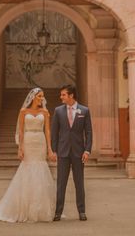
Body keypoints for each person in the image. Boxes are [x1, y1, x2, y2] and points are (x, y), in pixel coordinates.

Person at [0, 88, 56, 223]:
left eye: (42, 96)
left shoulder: (45, 112)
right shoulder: (23, 112)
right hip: (28, 141)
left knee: (40, 169)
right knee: (27, 169)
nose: (42, 99)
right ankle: (23, 208)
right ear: (33, 97)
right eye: (39, 96)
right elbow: (20, 131)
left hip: (40, 142)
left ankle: (40, 209)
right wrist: (20, 148)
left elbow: (48, 131)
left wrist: (50, 149)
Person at [50, 84, 92, 222]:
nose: (61, 97)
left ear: (71, 95)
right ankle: (58, 212)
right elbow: (54, 132)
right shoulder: (58, 111)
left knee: (79, 183)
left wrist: (87, 150)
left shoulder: (84, 111)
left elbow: (89, 132)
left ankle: (82, 212)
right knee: (61, 184)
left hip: (79, 153)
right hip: (62, 152)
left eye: (63, 94)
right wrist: (54, 150)